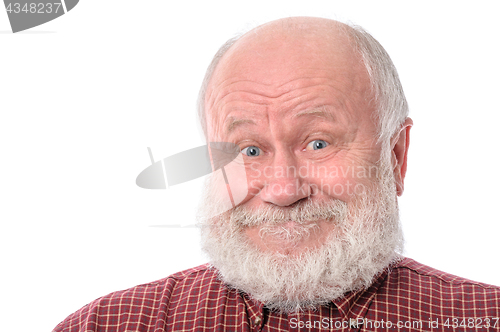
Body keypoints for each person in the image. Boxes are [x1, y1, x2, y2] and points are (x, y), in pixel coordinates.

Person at [53, 17, 500, 331]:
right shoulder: (104, 326)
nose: (284, 190)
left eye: (318, 143)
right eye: (249, 149)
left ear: (396, 156)